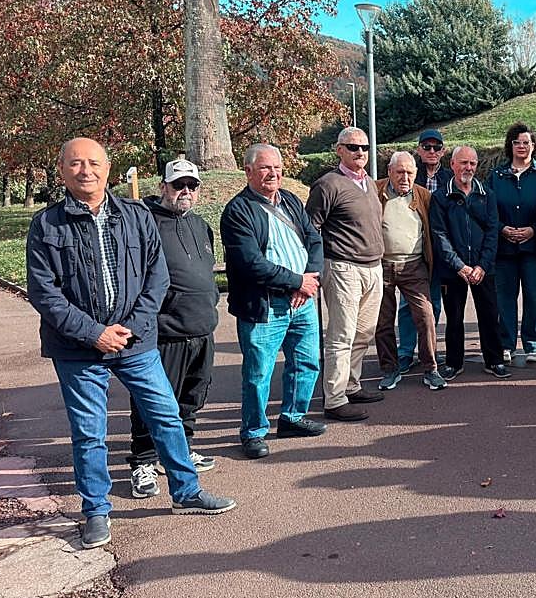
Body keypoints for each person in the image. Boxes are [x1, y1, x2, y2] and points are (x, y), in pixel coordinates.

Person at [27, 138, 235, 550]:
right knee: (90, 432)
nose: (85, 170)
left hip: (135, 342)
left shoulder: (135, 216)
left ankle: (186, 491)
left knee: (166, 415)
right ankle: (96, 512)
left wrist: (131, 327)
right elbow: (44, 292)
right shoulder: (46, 225)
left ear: (108, 168)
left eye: (93, 163)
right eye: (75, 164)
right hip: (77, 349)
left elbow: (156, 277)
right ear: (62, 170)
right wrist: (94, 333)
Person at [221, 143, 327, 459]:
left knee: (307, 362)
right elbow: (250, 263)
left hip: (302, 302)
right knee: (258, 374)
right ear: (249, 171)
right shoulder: (237, 211)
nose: (274, 173)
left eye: (278, 167)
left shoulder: (291, 201)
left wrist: (310, 279)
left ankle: (293, 418)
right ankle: (253, 432)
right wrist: (298, 282)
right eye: (266, 167)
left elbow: (314, 240)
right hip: (265, 306)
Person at [128, 157, 222, 499]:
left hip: (201, 328)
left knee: (191, 398)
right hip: (164, 333)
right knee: (152, 402)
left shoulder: (200, 224)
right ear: (163, 187)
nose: (185, 191)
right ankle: (143, 461)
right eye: (178, 184)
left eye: (192, 185)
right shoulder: (146, 223)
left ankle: (180, 451)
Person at [304, 127, 384, 422]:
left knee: (364, 332)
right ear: (339, 150)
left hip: (372, 267)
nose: (360, 152)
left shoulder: (370, 184)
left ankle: (351, 384)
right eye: (352, 147)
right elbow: (310, 228)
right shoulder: (328, 185)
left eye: (364, 147)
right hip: (342, 267)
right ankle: (334, 398)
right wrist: (314, 268)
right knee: (342, 335)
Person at [430, 146, 508, 381]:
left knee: (489, 314)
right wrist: (459, 266)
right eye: (463, 163)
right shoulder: (440, 196)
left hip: (483, 268)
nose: (468, 168)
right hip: (453, 269)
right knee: (453, 317)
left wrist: (482, 265)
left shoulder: (488, 195)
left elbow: (493, 232)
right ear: (452, 164)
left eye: (472, 163)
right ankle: (453, 362)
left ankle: (494, 360)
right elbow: (439, 235)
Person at [374, 151, 441, 390]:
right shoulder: (375, 190)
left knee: (426, 317)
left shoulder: (424, 195)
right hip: (382, 266)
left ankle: (431, 369)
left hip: (414, 265)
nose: (404, 177)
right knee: (383, 321)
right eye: (400, 172)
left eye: (409, 172)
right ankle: (390, 369)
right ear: (390, 172)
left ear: (415, 174)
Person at [488, 122, 536, 367]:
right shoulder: (496, 176)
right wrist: (502, 228)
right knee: (504, 297)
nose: (522, 147)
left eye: (526, 142)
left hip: (534, 247)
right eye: (517, 142)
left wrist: (533, 230)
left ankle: (535, 344)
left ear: (533, 146)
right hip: (504, 249)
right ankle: (505, 343)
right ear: (510, 146)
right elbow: (488, 211)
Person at [392, 128, 453, 383]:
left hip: (439, 250)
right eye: (426, 147)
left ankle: (429, 352)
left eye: (436, 147)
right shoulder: (408, 170)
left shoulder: (449, 177)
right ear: (419, 149)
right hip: (413, 250)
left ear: (443, 151)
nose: (431, 151)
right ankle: (406, 352)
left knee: (432, 305)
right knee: (407, 306)